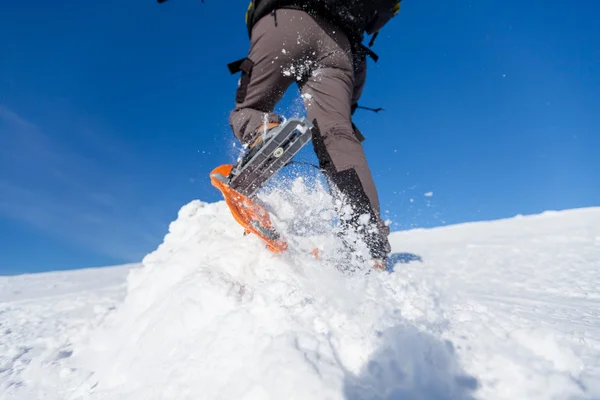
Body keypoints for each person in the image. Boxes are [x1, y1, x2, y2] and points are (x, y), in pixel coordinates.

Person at [228, 1, 401, 269]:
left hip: (283, 21)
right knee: (337, 134)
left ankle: (263, 132)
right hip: (340, 45)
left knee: (251, 108)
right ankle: (367, 235)